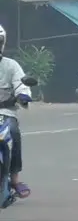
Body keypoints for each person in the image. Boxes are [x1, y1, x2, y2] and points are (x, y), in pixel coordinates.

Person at [0, 25, 32, 198]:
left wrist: (23, 95)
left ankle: (14, 179)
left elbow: (21, 84)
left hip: (5, 112)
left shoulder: (11, 66)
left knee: (14, 133)